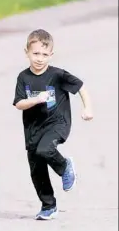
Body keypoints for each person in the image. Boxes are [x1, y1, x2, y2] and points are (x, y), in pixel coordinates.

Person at [13, 29, 93, 220]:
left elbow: (80, 87)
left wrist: (88, 108)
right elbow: (18, 103)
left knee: (45, 149)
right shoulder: (23, 78)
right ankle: (48, 206)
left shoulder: (57, 75)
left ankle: (65, 166)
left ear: (51, 55)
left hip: (58, 123)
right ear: (27, 52)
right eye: (36, 53)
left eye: (45, 54)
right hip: (33, 129)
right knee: (36, 169)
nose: (40, 58)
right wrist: (35, 100)